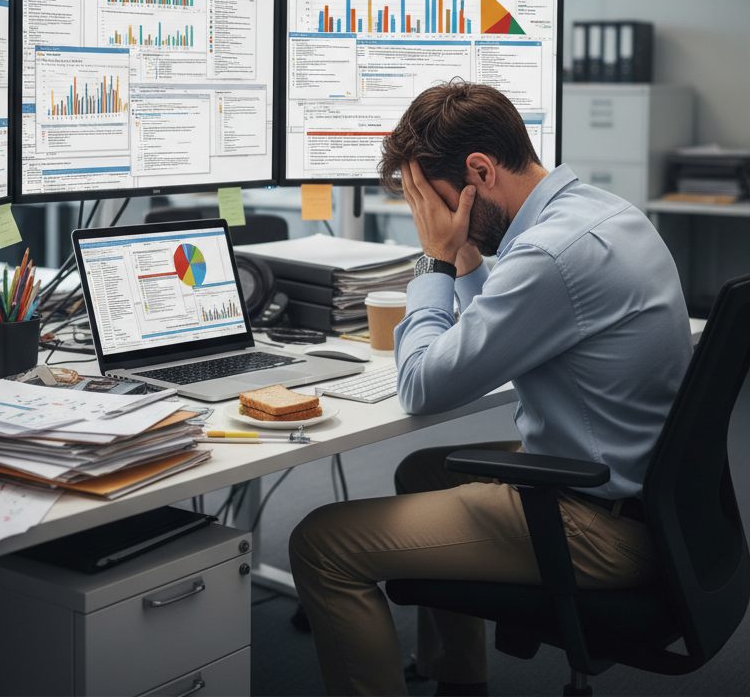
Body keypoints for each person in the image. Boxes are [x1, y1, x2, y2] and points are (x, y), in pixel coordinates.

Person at [289, 80, 691, 697]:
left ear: (480, 171)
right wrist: (469, 260)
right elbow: (503, 334)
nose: (436, 219)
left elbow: (420, 385)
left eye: (438, 201)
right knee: (423, 471)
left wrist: (433, 260)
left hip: (600, 525)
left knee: (321, 544)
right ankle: (459, 680)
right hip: (650, 500)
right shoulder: (601, 214)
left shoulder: (551, 256)